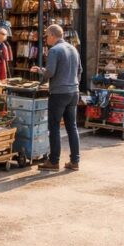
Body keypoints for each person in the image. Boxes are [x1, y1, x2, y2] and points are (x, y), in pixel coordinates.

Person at [31, 25, 82, 172]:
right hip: (73, 92)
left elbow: (50, 72)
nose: (46, 39)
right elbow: (80, 71)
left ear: (53, 35)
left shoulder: (54, 50)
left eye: (47, 36)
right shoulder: (73, 49)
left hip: (59, 93)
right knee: (72, 126)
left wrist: (41, 73)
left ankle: (54, 161)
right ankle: (75, 160)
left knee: (54, 127)